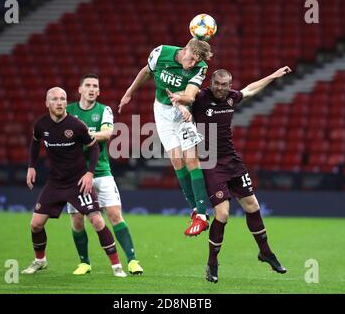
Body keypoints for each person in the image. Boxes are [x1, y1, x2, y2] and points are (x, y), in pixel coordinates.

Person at [168, 68, 291, 283]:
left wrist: (273, 76)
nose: (221, 88)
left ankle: (266, 253)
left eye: (225, 85)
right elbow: (183, 98)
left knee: (253, 206)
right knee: (222, 215)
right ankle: (212, 263)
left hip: (232, 162)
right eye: (217, 84)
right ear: (212, 83)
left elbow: (251, 89)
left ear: (229, 85)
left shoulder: (232, 98)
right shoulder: (201, 96)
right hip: (210, 163)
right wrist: (178, 103)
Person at [21, 87, 127, 277]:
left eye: (63, 99)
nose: (60, 102)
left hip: (77, 182)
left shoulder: (76, 125)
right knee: (36, 224)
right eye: (55, 99)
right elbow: (35, 141)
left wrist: (89, 173)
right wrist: (31, 166)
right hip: (55, 183)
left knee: (96, 220)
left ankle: (117, 266)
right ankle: (40, 260)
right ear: (47, 103)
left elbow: (94, 147)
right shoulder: (41, 125)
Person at [118, 38, 213, 236]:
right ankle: (194, 208)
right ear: (185, 50)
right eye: (192, 59)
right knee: (177, 161)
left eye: (197, 62)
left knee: (191, 159)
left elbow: (190, 95)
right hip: (162, 112)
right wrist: (129, 93)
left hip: (182, 113)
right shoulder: (160, 53)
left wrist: (181, 102)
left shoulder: (200, 67)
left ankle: (202, 215)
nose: (193, 64)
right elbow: (146, 71)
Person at [66, 74, 143, 275]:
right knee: (76, 220)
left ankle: (133, 261)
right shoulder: (68, 111)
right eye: (88, 85)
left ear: (99, 92)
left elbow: (107, 134)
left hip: (101, 172)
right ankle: (84, 262)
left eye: (95, 86)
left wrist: (82, 136)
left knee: (115, 215)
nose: (92, 89)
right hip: (74, 175)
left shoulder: (104, 110)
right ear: (80, 89)